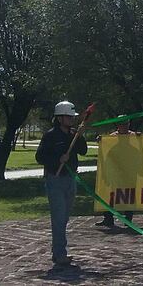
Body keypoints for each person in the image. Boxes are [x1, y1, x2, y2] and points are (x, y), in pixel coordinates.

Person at [35, 101, 88, 266]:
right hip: (55, 179)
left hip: (70, 180)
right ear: (59, 118)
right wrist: (58, 159)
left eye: (73, 116)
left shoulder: (73, 134)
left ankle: (57, 250)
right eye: (68, 116)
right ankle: (60, 253)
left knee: (64, 217)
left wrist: (80, 135)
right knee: (58, 217)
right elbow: (40, 157)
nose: (71, 119)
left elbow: (83, 151)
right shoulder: (50, 135)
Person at [95, 119, 140, 228]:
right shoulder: (112, 137)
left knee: (129, 196)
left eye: (126, 124)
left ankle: (128, 220)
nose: (124, 126)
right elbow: (107, 152)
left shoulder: (134, 136)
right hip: (115, 171)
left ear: (128, 124)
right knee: (111, 195)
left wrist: (142, 138)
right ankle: (108, 218)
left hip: (130, 171)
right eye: (121, 124)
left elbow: (141, 149)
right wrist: (101, 141)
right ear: (118, 125)